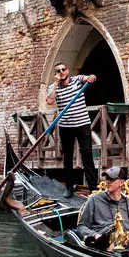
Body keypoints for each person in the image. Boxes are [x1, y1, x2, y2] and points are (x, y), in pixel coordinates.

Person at [46, 62, 98, 198]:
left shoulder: (77, 80)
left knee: (87, 156)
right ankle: (69, 187)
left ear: (67, 70)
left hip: (82, 124)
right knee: (67, 158)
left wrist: (91, 77)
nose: (61, 72)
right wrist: (56, 85)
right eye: (58, 71)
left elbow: (89, 78)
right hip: (65, 126)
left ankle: (93, 188)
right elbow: (50, 101)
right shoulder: (54, 87)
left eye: (63, 69)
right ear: (56, 74)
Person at [74, 165, 129, 245]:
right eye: (107, 178)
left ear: (121, 182)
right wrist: (95, 235)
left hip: (127, 243)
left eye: (111, 179)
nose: (107, 181)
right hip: (103, 243)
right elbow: (81, 226)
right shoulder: (95, 200)